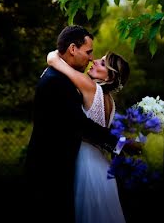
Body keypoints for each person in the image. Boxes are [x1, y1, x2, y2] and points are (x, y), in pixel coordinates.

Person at [24, 25, 120, 222]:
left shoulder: (61, 76)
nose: (91, 58)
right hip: (49, 169)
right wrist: (121, 144)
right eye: (89, 52)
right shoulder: (57, 81)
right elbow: (80, 125)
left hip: (64, 166)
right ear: (73, 49)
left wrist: (53, 57)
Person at [45, 48, 130, 223]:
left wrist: (57, 51)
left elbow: (53, 61)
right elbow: (105, 135)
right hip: (102, 166)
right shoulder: (111, 103)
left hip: (85, 164)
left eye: (103, 63)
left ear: (109, 77)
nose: (95, 60)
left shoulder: (89, 86)